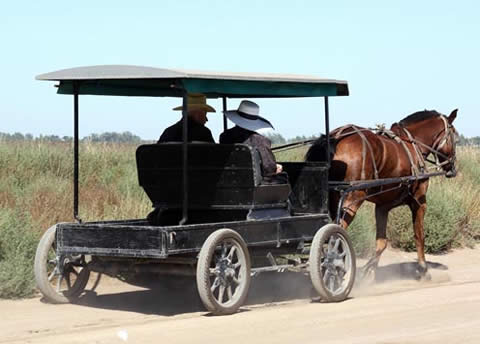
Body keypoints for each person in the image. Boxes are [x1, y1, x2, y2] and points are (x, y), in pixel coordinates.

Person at [220, 100, 285, 184]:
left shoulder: (224, 136)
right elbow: (269, 169)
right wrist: (277, 168)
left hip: (227, 181)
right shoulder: (260, 140)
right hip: (252, 186)